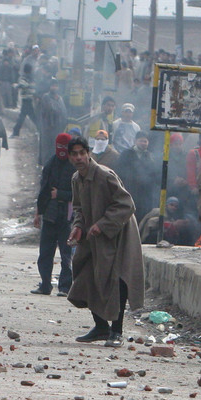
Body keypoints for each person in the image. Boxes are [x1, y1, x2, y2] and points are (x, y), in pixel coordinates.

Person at [65, 137, 144, 347]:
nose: (79, 157)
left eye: (82, 153)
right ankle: (100, 327)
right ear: (70, 157)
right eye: (75, 154)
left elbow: (127, 204)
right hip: (93, 235)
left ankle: (116, 331)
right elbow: (80, 208)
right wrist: (78, 227)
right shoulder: (76, 179)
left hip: (119, 233)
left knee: (117, 279)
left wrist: (103, 223)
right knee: (86, 274)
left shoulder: (104, 174)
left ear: (89, 153)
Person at [33, 133, 77, 296]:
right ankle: (45, 284)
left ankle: (65, 287)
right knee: (45, 252)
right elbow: (44, 190)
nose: (61, 151)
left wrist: (60, 194)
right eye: (59, 147)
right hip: (50, 214)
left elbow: (79, 194)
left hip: (67, 216)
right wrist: (38, 213)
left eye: (64, 147)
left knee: (66, 253)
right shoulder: (51, 163)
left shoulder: (75, 166)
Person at [116, 133, 158, 221]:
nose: (143, 143)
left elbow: (154, 174)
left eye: (145, 141)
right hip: (130, 190)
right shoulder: (126, 154)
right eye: (141, 141)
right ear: (135, 141)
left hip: (144, 194)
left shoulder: (150, 157)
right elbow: (119, 171)